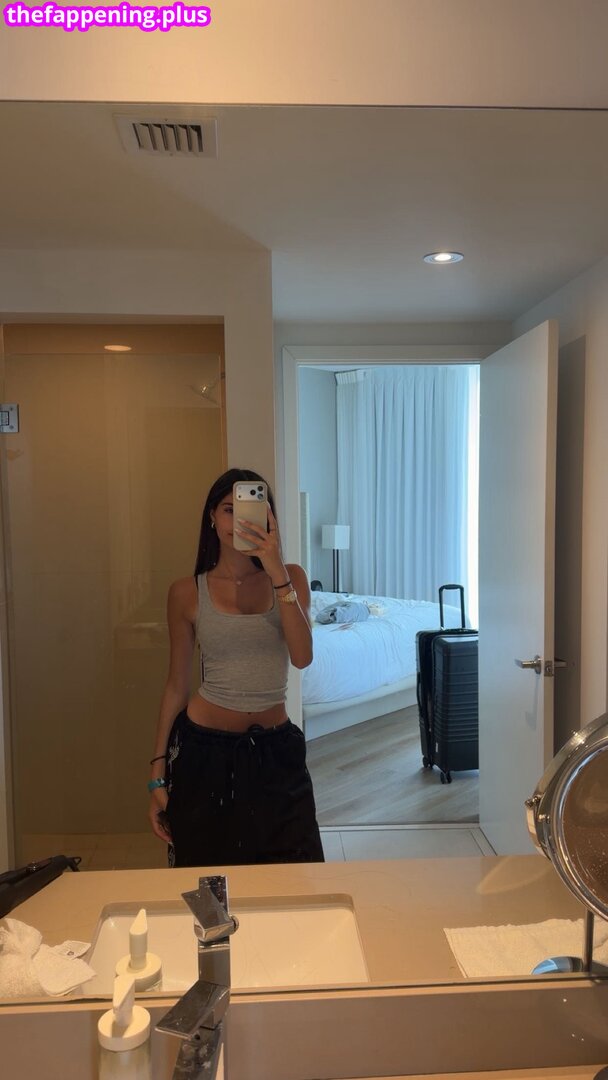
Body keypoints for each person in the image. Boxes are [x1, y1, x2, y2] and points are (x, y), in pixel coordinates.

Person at [148, 467, 324, 867]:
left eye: (249, 509)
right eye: (229, 509)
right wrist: (157, 773)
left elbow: (302, 657)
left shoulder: (291, 577)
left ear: (268, 517)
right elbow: (176, 686)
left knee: (296, 875)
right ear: (212, 516)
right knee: (205, 880)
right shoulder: (186, 592)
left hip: (276, 752)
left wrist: (276, 569)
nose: (238, 520)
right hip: (202, 752)